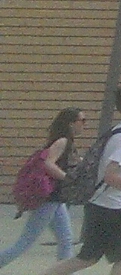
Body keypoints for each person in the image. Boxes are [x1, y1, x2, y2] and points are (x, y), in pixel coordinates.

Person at [39, 84, 121, 275]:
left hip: (100, 205)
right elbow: (111, 175)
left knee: (88, 257)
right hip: (111, 207)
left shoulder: (120, 132)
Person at [1, 110, 82, 268]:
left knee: (65, 240)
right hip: (48, 199)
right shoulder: (63, 141)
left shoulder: (66, 142)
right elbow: (48, 164)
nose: (84, 124)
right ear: (71, 123)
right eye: (82, 120)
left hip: (57, 199)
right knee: (25, 242)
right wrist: (67, 178)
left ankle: (62, 272)